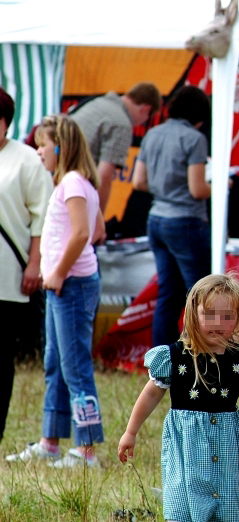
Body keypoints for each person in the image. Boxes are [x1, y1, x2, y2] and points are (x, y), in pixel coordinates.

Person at [117, 273, 239, 522]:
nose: (218, 322)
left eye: (227, 316)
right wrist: (131, 431)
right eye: (210, 314)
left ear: (238, 318)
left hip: (226, 444)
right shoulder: (175, 356)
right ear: (194, 313)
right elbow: (151, 393)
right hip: (187, 444)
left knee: (228, 501)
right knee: (186, 498)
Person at [6, 115, 104, 467]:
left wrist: (60, 271)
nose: (37, 151)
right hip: (65, 285)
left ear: (60, 146)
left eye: (43, 144)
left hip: (70, 286)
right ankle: (50, 440)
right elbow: (98, 229)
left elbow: (82, 234)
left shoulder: (73, 184)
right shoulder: (73, 183)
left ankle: (87, 447)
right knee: (55, 364)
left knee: (75, 366)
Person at [132, 86, 211, 347]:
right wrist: (222, 185)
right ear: (200, 116)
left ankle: (161, 361)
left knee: (168, 293)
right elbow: (197, 189)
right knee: (201, 293)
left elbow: (139, 182)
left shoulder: (152, 134)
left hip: (156, 219)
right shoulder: (194, 139)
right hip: (185, 220)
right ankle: (202, 354)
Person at [0, 87, 53, 441]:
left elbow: (42, 219)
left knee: (2, 356)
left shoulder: (26, 161)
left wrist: (35, 264)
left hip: (9, 273)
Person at [72, 82, 161, 212]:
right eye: (147, 118)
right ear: (145, 109)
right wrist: (98, 219)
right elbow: (104, 176)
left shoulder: (96, 103)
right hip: (74, 191)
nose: (142, 122)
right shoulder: (121, 124)